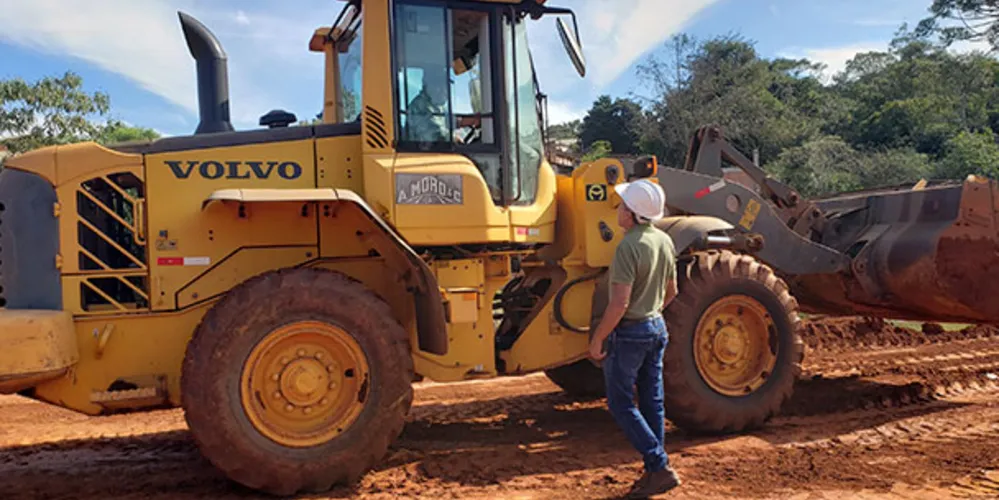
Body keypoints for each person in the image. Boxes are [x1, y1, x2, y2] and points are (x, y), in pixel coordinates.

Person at [589, 178, 681, 498]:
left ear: (632, 213)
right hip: (656, 328)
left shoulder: (628, 246)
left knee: (621, 404)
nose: (619, 209)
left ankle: (658, 466)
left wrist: (598, 338)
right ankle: (654, 470)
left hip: (630, 333)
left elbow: (620, 304)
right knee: (652, 401)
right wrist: (652, 309)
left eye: (623, 205)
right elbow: (673, 291)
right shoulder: (664, 241)